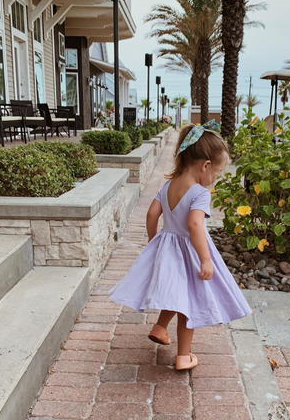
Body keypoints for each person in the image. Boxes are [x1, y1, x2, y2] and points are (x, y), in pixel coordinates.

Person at [108, 120, 253, 371]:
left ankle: (160, 327)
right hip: (191, 252)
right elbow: (195, 225)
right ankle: (183, 356)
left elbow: (152, 215)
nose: (214, 178)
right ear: (206, 165)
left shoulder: (167, 186)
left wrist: (155, 241)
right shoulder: (199, 193)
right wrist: (205, 259)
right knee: (190, 303)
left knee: (174, 294)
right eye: (216, 173)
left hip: (167, 245)